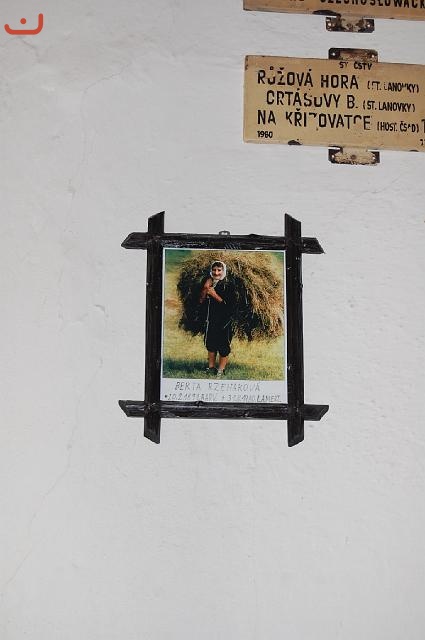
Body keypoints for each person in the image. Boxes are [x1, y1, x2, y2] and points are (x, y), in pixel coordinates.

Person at [199, 261, 235, 377]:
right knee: (210, 344)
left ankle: (221, 370)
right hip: (210, 320)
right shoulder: (208, 282)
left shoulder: (228, 285)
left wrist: (214, 295)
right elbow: (201, 301)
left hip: (224, 321)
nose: (216, 273)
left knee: (223, 345)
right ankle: (211, 368)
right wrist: (205, 288)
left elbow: (229, 306)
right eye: (214, 270)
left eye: (219, 270)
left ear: (223, 271)